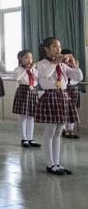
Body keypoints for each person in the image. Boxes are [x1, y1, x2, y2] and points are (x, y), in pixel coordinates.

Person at [35, 37, 82, 175]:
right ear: (46, 49)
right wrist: (56, 62)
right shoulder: (42, 64)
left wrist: (74, 65)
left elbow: (78, 77)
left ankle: (57, 163)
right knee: (49, 133)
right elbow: (46, 74)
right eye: (55, 46)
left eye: (59, 46)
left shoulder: (62, 65)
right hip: (50, 97)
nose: (58, 49)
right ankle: (50, 164)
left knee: (58, 133)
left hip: (63, 96)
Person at [12, 49, 41, 148]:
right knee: (23, 117)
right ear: (20, 59)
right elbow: (17, 78)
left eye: (31, 58)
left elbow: (38, 79)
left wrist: (32, 70)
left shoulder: (34, 69)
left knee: (31, 117)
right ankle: (24, 139)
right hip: (23, 91)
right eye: (26, 58)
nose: (29, 60)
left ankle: (30, 138)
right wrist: (26, 70)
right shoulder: (18, 69)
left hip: (33, 91)